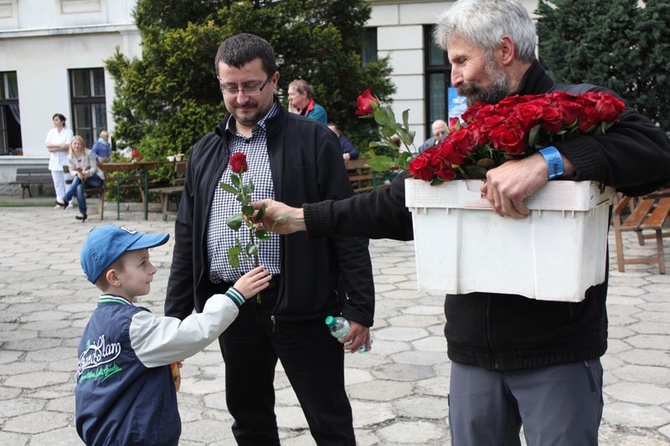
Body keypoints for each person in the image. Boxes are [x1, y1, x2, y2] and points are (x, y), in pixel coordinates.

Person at [252, 1, 670, 445]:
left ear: (504, 50)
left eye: (461, 61)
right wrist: (302, 219)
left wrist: (550, 161)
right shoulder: (465, 134)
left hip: (557, 352)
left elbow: (657, 155)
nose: (453, 77)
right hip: (473, 354)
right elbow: (399, 204)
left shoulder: (574, 110)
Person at [164, 33, 375, 446]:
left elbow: (346, 226)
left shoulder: (314, 141)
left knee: (329, 420)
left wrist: (359, 307)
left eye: (251, 85)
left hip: (304, 305)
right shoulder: (205, 151)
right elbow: (187, 238)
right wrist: (173, 324)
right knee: (249, 419)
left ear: (274, 80)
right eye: (230, 86)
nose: (241, 97)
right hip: (233, 307)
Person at [75, 225, 272, 446]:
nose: (153, 269)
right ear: (114, 277)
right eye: (142, 263)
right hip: (137, 436)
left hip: (108, 434)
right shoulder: (133, 325)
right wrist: (234, 296)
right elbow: (191, 333)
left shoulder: (94, 328)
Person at [56, 135, 105, 222]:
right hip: (82, 180)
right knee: (78, 186)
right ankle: (83, 213)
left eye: (78, 144)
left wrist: (86, 173)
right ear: (71, 145)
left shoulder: (88, 153)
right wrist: (78, 174)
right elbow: (71, 171)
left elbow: (94, 168)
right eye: (74, 144)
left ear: (82, 145)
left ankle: (66, 198)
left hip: (95, 179)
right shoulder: (69, 157)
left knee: (77, 179)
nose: (76, 146)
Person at [45, 113, 74, 208]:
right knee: (57, 182)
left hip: (65, 160)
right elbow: (48, 146)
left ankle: (68, 201)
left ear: (62, 121)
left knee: (67, 181)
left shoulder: (68, 132)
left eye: (57, 119)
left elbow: (67, 146)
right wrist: (59, 146)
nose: (55, 121)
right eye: (54, 120)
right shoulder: (51, 132)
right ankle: (60, 201)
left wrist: (55, 146)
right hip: (54, 161)